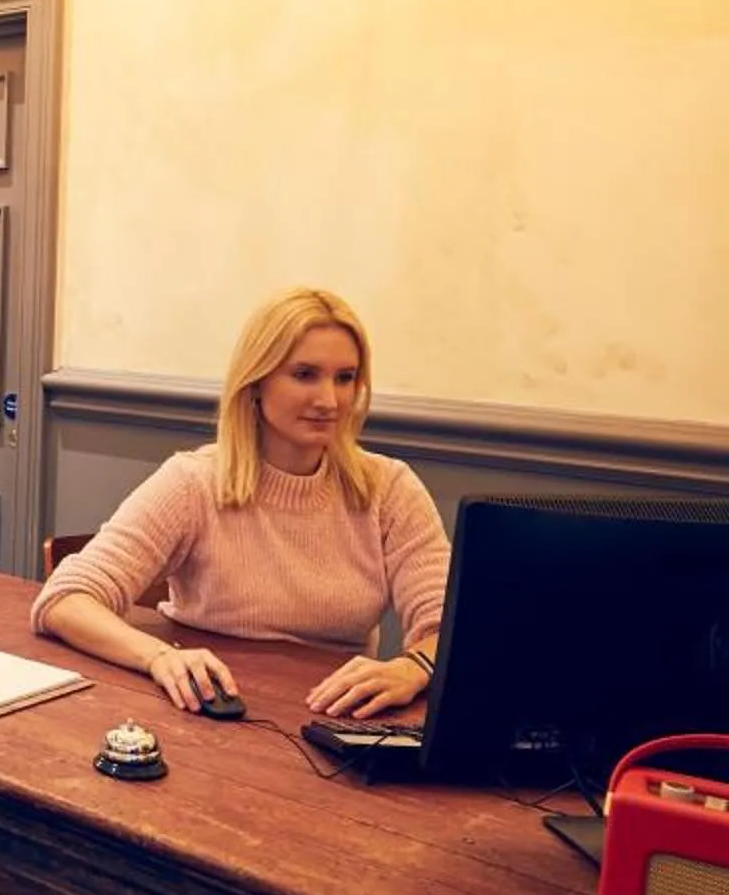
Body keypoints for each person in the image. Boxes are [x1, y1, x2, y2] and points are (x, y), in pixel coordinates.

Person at [31, 287, 450, 719]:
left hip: (334, 717)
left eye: (345, 378)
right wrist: (159, 657)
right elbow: (64, 599)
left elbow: (456, 630)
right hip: (209, 712)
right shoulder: (193, 482)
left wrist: (413, 667)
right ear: (256, 382)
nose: (329, 400)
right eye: (304, 374)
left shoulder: (390, 488)